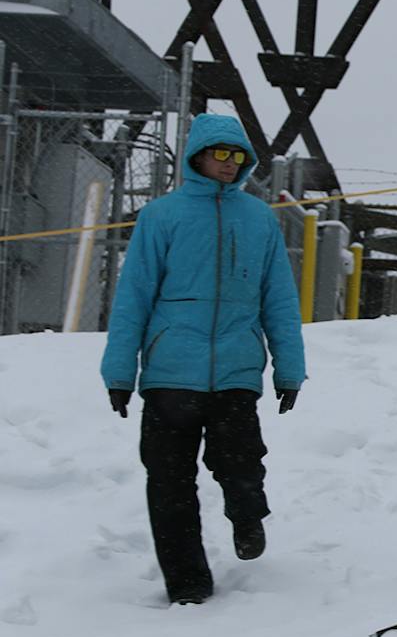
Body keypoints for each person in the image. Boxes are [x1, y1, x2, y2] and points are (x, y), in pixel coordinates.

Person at [101, 113, 306, 606]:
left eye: (239, 157)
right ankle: (187, 582)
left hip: (235, 366)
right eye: (222, 154)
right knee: (169, 480)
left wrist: (289, 367)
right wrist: (119, 371)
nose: (231, 165)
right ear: (198, 156)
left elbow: (278, 297)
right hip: (171, 371)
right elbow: (134, 296)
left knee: (241, 460)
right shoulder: (161, 216)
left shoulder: (258, 219)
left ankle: (246, 514)